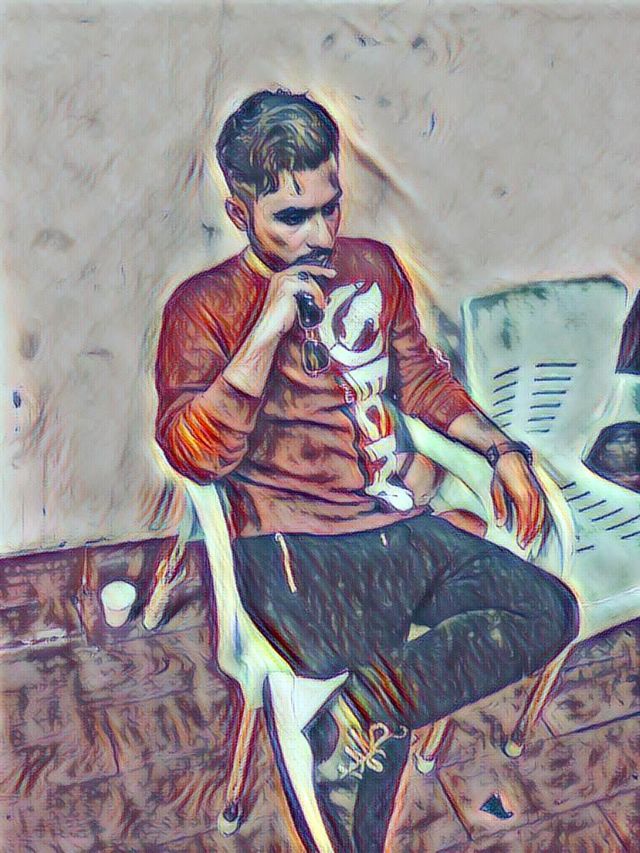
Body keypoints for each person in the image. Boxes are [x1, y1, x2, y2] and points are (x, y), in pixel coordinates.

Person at [154, 89, 579, 852]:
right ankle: (364, 739)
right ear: (239, 211)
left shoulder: (374, 267)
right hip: (294, 546)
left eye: (330, 207)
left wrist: (502, 450)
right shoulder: (202, 305)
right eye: (292, 217)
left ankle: (356, 715)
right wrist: (266, 328)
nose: (320, 234)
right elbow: (195, 453)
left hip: (394, 521)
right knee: (367, 772)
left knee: (548, 609)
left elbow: (423, 379)